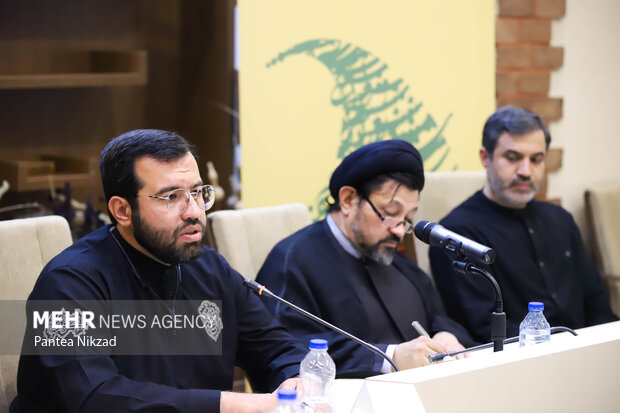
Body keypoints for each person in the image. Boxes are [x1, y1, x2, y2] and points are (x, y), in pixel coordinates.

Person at [11, 130, 306, 413]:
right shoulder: (66, 284)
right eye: (171, 197)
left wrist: (296, 379)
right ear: (122, 211)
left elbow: (277, 350)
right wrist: (229, 405)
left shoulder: (210, 268)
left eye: (197, 192)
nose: (193, 211)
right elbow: (94, 398)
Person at [256, 140, 476, 378]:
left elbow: (440, 316)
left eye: (407, 219)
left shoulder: (396, 261)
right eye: (391, 214)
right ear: (348, 199)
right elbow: (284, 351)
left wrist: (446, 335)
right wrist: (389, 358)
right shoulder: (291, 262)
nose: (400, 232)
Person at [429, 106, 618, 343]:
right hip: (517, 365)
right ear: (485, 157)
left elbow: (597, 305)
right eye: (513, 158)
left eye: (536, 159)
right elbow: (483, 327)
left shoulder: (561, 219)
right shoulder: (457, 233)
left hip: (585, 353)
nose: (526, 171)